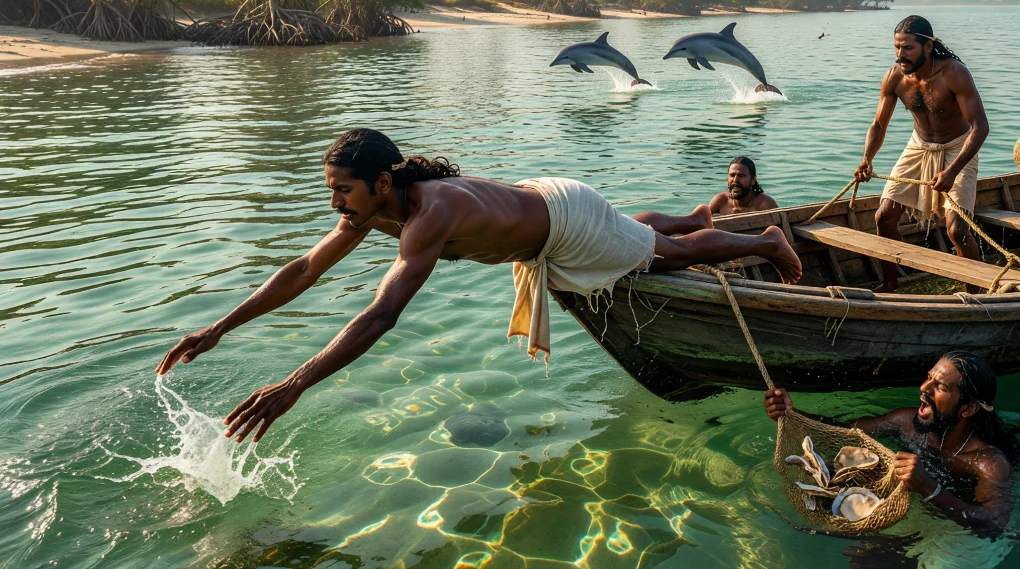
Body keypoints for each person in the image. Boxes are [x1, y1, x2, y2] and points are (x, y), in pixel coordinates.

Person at [157, 128, 803, 443]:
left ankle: (764, 241)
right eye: (330, 190)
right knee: (634, 235)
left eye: (343, 190)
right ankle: (685, 215)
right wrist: (218, 327)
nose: (336, 205)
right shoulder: (374, 210)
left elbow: (382, 315)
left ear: (383, 182)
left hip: (565, 222)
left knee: (666, 256)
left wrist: (295, 382)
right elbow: (303, 270)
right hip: (551, 203)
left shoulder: (427, 215)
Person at [764, 351, 1020, 532]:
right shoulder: (905, 422)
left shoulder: (988, 463)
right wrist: (791, 413)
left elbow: (993, 522)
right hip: (909, 514)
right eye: (929, 377)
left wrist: (929, 488)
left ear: (967, 410)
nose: (924, 388)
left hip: (954, 531)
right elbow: (842, 430)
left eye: (941, 387)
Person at [855, 15, 990, 291]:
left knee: (957, 229)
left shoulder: (954, 73)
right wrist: (867, 159)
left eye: (907, 48)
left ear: (928, 46)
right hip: (918, 146)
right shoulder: (894, 77)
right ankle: (890, 284)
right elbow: (879, 125)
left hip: (957, 147)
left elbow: (981, 127)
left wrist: (952, 172)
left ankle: (976, 294)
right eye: (897, 47)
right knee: (884, 217)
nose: (900, 55)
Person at [709, 156, 779, 216]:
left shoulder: (764, 204)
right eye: (732, 175)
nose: (735, 180)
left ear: (753, 180)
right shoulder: (721, 201)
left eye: (741, 176)